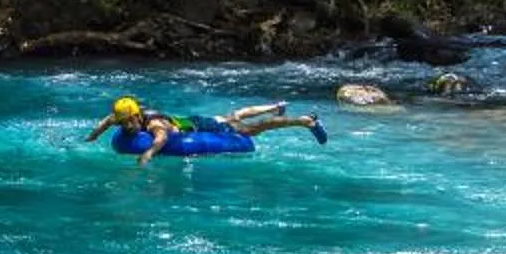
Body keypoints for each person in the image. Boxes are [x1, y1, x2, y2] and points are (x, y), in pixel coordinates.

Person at [86, 94, 326, 166]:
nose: (128, 126)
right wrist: (92, 138)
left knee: (250, 130)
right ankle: (276, 107)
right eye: (124, 122)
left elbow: (161, 138)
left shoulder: (153, 123)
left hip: (200, 126)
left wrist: (147, 154)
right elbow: (106, 122)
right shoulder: (122, 117)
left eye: (130, 121)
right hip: (188, 120)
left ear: (138, 116)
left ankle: (305, 121)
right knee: (235, 115)